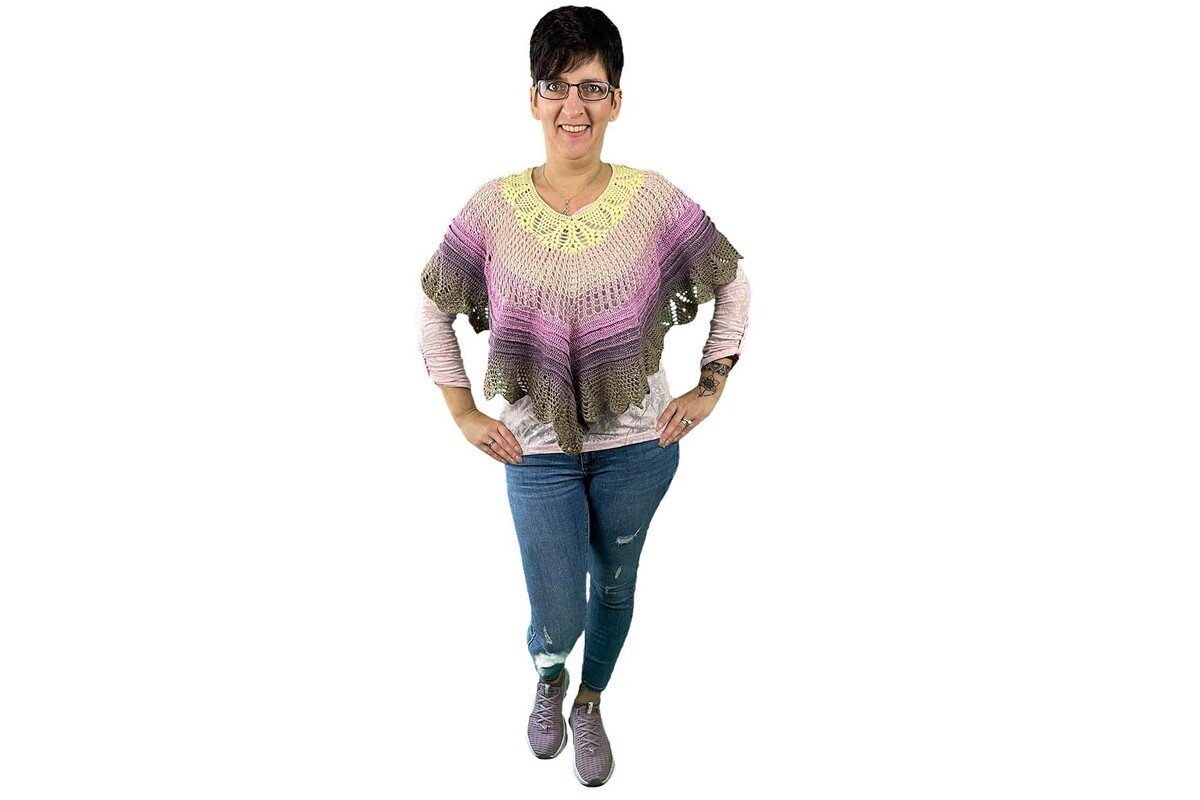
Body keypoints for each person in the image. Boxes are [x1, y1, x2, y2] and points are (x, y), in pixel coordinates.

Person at [416, 6, 750, 787]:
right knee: (559, 608)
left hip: (640, 448)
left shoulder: (653, 201)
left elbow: (732, 282)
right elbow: (434, 302)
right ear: (533, 99)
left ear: (617, 100)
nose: (574, 105)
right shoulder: (492, 209)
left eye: (592, 87)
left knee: (618, 585)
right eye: (557, 86)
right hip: (535, 451)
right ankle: (550, 672)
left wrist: (710, 387)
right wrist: (462, 412)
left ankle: (591, 701)